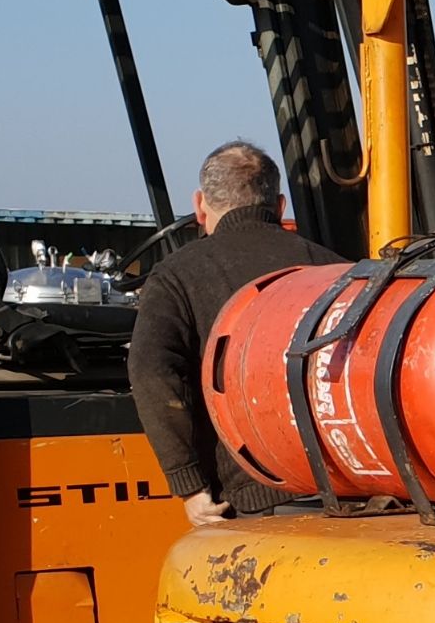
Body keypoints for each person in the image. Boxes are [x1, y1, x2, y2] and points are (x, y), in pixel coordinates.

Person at [129, 140, 343, 527]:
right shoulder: (335, 269)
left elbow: (150, 371)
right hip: (345, 489)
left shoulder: (178, 274)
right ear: (279, 206)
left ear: (200, 206)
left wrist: (188, 483)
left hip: (249, 502)